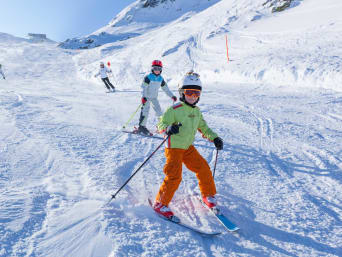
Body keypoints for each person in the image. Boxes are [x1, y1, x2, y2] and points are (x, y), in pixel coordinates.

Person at [152, 71, 223, 221]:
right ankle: (160, 203)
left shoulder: (197, 112)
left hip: (188, 148)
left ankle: (207, 195)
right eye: (189, 92)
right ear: (182, 93)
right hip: (174, 149)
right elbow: (160, 124)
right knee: (174, 176)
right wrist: (168, 128)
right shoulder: (174, 109)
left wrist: (214, 138)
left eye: (196, 93)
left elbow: (204, 128)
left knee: (203, 168)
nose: (192, 96)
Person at [137, 60, 177, 135]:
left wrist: (172, 96)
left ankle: (161, 126)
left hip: (154, 98)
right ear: (152, 69)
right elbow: (143, 88)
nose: (157, 70)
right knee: (145, 111)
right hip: (146, 97)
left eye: (159, 69)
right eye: (155, 68)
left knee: (159, 112)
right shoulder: (148, 77)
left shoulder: (161, 79)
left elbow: (166, 89)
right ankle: (141, 127)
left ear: (161, 70)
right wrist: (143, 97)